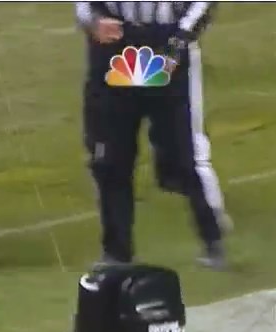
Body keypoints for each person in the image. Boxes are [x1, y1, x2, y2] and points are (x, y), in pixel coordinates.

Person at [75, 2, 229, 269]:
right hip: (115, 47)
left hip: (163, 45)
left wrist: (179, 39)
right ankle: (117, 252)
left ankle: (211, 236)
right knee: (111, 158)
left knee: (181, 156)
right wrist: (94, 21)